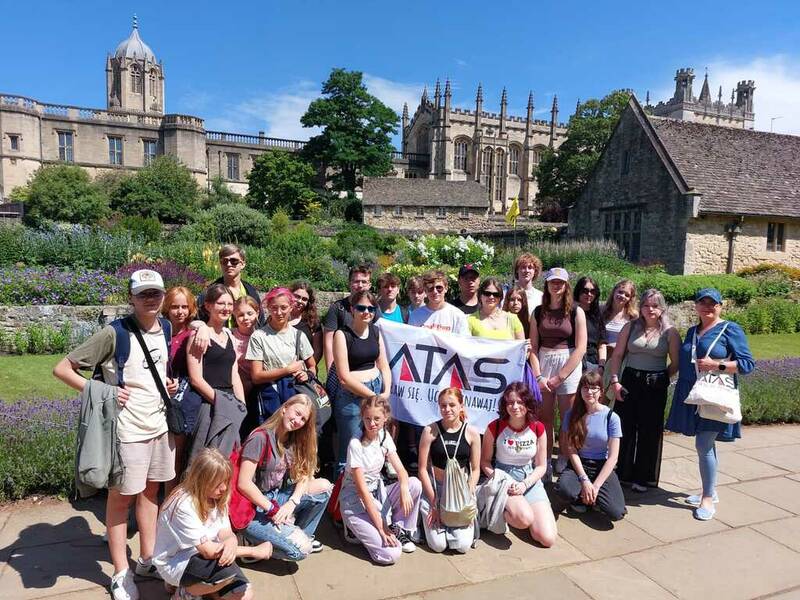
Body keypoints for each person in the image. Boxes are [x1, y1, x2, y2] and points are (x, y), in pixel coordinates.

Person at [53, 269, 177, 600]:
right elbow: (62, 368)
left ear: (163, 295)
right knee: (121, 500)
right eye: (143, 294)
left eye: (155, 293)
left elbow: (152, 372)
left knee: (151, 493)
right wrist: (103, 391)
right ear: (130, 298)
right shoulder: (114, 333)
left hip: (159, 427)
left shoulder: (165, 327)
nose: (150, 299)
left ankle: (147, 559)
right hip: (127, 431)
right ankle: (121, 573)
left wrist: (167, 384)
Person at [666, 288, 755, 521]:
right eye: (702, 302)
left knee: (703, 444)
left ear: (720, 306)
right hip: (693, 394)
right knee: (707, 444)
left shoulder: (730, 329)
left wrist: (717, 365)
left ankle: (707, 498)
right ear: (695, 306)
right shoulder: (692, 332)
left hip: (714, 394)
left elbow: (747, 364)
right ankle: (711, 490)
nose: (707, 307)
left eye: (712, 303)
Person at [153, 448, 270, 600]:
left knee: (245, 595)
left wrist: (231, 542)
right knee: (226, 575)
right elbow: (208, 551)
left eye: (226, 481)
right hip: (178, 560)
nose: (224, 488)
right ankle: (186, 592)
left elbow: (225, 532)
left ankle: (196, 588)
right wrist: (254, 551)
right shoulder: (183, 505)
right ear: (202, 479)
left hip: (207, 558)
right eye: (218, 483)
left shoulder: (217, 497)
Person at [238, 394, 332, 559]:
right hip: (254, 507)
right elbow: (243, 483)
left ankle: (296, 534)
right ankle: (254, 544)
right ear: (285, 408)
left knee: (324, 487)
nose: (298, 421)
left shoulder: (293, 439)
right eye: (297, 413)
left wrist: (292, 502)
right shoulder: (260, 437)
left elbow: (304, 474)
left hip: (277, 497)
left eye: (303, 419)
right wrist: (272, 509)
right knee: (300, 551)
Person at [608, 289, 680, 492]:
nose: (650, 309)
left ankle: (643, 476)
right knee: (625, 427)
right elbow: (617, 355)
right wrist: (615, 381)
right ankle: (623, 472)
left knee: (649, 430)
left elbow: (676, 362)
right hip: (629, 381)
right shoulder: (630, 327)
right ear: (640, 307)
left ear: (662, 308)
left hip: (654, 385)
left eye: (655, 306)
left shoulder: (670, 332)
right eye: (646, 305)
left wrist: (663, 377)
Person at [338, 396, 423, 564]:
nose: (372, 423)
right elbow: (362, 492)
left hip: (377, 493)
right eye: (367, 418)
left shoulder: (384, 435)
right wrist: (381, 528)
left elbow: (401, 470)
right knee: (391, 554)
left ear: (385, 418)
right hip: (355, 500)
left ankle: (397, 527)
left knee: (414, 484)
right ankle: (357, 528)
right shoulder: (356, 444)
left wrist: (404, 488)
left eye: (376, 419)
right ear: (362, 417)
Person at [480, 382, 557, 547]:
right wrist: (499, 479)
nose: (514, 407)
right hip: (504, 479)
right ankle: (497, 512)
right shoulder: (495, 427)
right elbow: (484, 461)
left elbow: (541, 466)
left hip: (529, 479)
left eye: (520, 402)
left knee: (547, 538)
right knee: (524, 520)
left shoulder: (538, 428)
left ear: (527, 403)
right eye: (510, 402)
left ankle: (520, 508)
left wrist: (525, 484)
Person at [529, 267, 587, 478]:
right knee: (544, 417)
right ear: (547, 284)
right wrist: (538, 376)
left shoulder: (576, 311)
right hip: (544, 363)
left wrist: (561, 376)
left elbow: (581, 347)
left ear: (566, 285)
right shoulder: (538, 312)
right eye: (553, 282)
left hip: (568, 364)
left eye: (560, 282)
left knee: (567, 418)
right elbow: (533, 347)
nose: (556, 285)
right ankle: (544, 461)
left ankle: (564, 456)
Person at [332, 290, 392, 476]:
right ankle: (341, 492)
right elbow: (344, 377)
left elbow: (384, 364)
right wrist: (374, 398)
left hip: (376, 391)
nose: (366, 312)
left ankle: (369, 483)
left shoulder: (375, 331)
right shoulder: (342, 335)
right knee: (349, 450)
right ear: (352, 309)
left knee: (373, 443)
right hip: (352, 397)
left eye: (371, 309)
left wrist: (386, 392)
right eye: (361, 308)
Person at [555, 371, 626, 521]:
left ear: (601, 391)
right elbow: (571, 450)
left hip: (601, 465)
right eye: (585, 388)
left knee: (616, 512)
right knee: (564, 491)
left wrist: (596, 486)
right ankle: (581, 497)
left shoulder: (611, 417)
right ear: (580, 390)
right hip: (579, 465)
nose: (589, 392)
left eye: (594, 388)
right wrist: (584, 480)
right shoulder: (572, 415)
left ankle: (592, 497)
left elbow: (613, 458)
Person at [417, 388, 480, 553]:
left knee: (462, 546)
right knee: (438, 546)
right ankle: (424, 519)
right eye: (443, 405)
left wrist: (467, 495)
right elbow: (422, 469)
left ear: (461, 406)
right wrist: (434, 503)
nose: (447, 409)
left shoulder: (472, 433)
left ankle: (456, 527)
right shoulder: (430, 431)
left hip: (460, 491)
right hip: (436, 489)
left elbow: (475, 469)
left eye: (452, 405)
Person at [246, 287, 315, 423]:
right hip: (270, 397)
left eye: (283, 307)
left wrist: (307, 374)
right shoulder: (259, 336)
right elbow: (256, 377)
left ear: (291, 307)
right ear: (268, 308)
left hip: (294, 395)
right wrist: (287, 370)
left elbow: (312, 366)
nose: (279, 313)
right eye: (274, 308)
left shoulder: (298, 336)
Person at [162, 286, 197, 492]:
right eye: (175, 306)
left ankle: (170, 499)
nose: (180, 311)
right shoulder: (158, 330)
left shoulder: (192, 333)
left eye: (185, 306)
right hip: (157, 395)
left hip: (181, 399)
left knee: (175, 454)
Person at [322, 265, 377, 378]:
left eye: (364, 282)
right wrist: (331, 375)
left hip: (367, 371)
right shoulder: (337, 308)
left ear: (369, 285)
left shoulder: (373, 308)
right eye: (356, 281)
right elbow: (328, 342)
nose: (360, 285)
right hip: (343, 370)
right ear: (349, 283)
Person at [195, 244, 265, 330]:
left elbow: (260, 321)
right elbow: (197, 319)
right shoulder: (209, 293)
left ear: (243, 264)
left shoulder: (251, 292)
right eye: (224, 261)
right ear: (221, 264)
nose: (229, 264)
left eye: (234, 261)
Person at [408, 270, 469, 335]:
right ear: (425, 290)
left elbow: (463, 340)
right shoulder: (415, 315)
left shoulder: (457, 315)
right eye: (430, 288)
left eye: (439, 288)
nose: (435, 291)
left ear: (446, 288)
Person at [573, 277, 605, 372]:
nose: (589, 294)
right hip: (573, 360)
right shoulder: (570, 313)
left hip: (592, 361)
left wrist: (601, 366)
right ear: (578, 291)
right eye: (585, 291)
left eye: (593, 291)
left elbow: (601, 343)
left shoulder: (597, 315)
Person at [289, 281, 323, 365]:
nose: (300, 301)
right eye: (297, 296)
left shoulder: (312, 322)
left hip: (303, 369)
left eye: (304, 299)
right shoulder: (277, 318)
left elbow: (317, 351)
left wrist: (308, 368)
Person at [231, 296, 259, 398]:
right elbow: (196, 324)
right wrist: (202, 328)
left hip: (258, 389)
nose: (246, 318)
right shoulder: (229, 334)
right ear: (234, 315)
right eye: (241, 315)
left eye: (250, 313)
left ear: (257, 313)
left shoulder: (263, 337)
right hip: (235, 388)